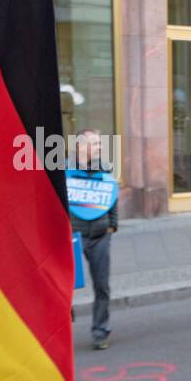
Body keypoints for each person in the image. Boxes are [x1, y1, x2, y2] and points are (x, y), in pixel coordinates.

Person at [69, 129, 118, 350]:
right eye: (95, 144)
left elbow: (112, 197)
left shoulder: (105, 168)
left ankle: (100, 331)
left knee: (102, 286)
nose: (99, 148)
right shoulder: (65, 171)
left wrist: (112, 225)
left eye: (99, 143)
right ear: (80, 147)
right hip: (73, 237)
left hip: (100, 235)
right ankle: (60, 329)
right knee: (63, 287)